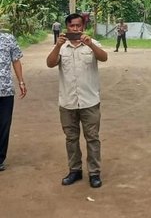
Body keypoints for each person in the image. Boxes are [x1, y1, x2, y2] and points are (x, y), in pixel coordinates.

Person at [46, 13, 108, 188]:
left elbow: (104, 57)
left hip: (90, 101)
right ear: (67, 27)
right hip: (67, 102)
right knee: (71, 138)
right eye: (72, 26)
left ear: (83, 27)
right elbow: (50, 63)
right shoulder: (62, 47)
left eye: (78, 26)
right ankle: (75, 170)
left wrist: (90, 45)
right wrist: (57, 47)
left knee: (92, 138)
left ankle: (94, 173)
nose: (75, 29)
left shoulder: (92, 43)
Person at [0, 29, 27, 171]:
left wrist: (21, 82)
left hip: (5, 90)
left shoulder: (8, 38)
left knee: (4, 125)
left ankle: (0, 159)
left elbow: (16, 61)